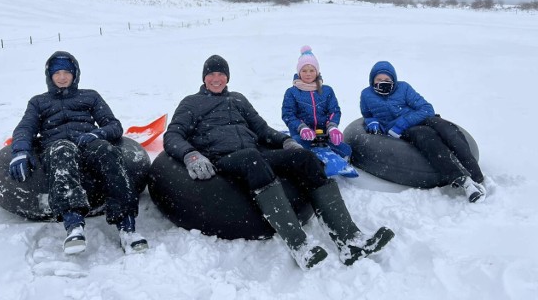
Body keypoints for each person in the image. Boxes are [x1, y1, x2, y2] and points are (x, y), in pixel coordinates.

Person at [164, 54, 394, 270]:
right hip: (223, 159)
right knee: (252, 159)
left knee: (305, 158)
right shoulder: (191, 103)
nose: (217, 79)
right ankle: (299, 246)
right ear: (204, 78)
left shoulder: (238, 99)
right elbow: (172, 135)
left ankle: (349, 239)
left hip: (255, 153)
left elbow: (261, 129)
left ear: (227, 77)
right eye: (211, 74)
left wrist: (285, 142)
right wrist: (191, 155)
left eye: (221, 74)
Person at [9, 51, 148, 255]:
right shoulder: (38, 102)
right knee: (63, 151)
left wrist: (96, 134)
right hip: (57, 146)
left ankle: (127, 228)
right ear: (50, 76)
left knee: (107, 151)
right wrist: (20, 150)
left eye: (67, 72)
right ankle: (74, 226)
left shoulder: (90, 96)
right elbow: (25, 128)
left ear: (75, 74)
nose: (63, 77)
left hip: (87, 143)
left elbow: (113, 125)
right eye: (57, 73)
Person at [360, 60, 486, 203]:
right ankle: (464, 181)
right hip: (409, 129)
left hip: (420, 118)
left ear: (393, 80)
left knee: (448, 130)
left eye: (387, 79)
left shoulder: (403, 88)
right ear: (372, 80)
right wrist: (372, 122)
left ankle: (477, 176)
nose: (383, 82)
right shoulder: (366, 95)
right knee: (428, 138)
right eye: (379, 79)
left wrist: (403, 122)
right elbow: (367, 114)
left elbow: (427, 108)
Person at [282, 45, 351, 158]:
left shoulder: (327, 90)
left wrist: (332, 127)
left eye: (311, 70)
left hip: (323, 135)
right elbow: (288, 114)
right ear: (299, 73)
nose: (308, 74)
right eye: (304, 70)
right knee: (296, 150)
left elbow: (334, 110)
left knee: (346, 150)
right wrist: (302, 127)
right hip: (302, 135)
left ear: (317, 72)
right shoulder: (292, 92)